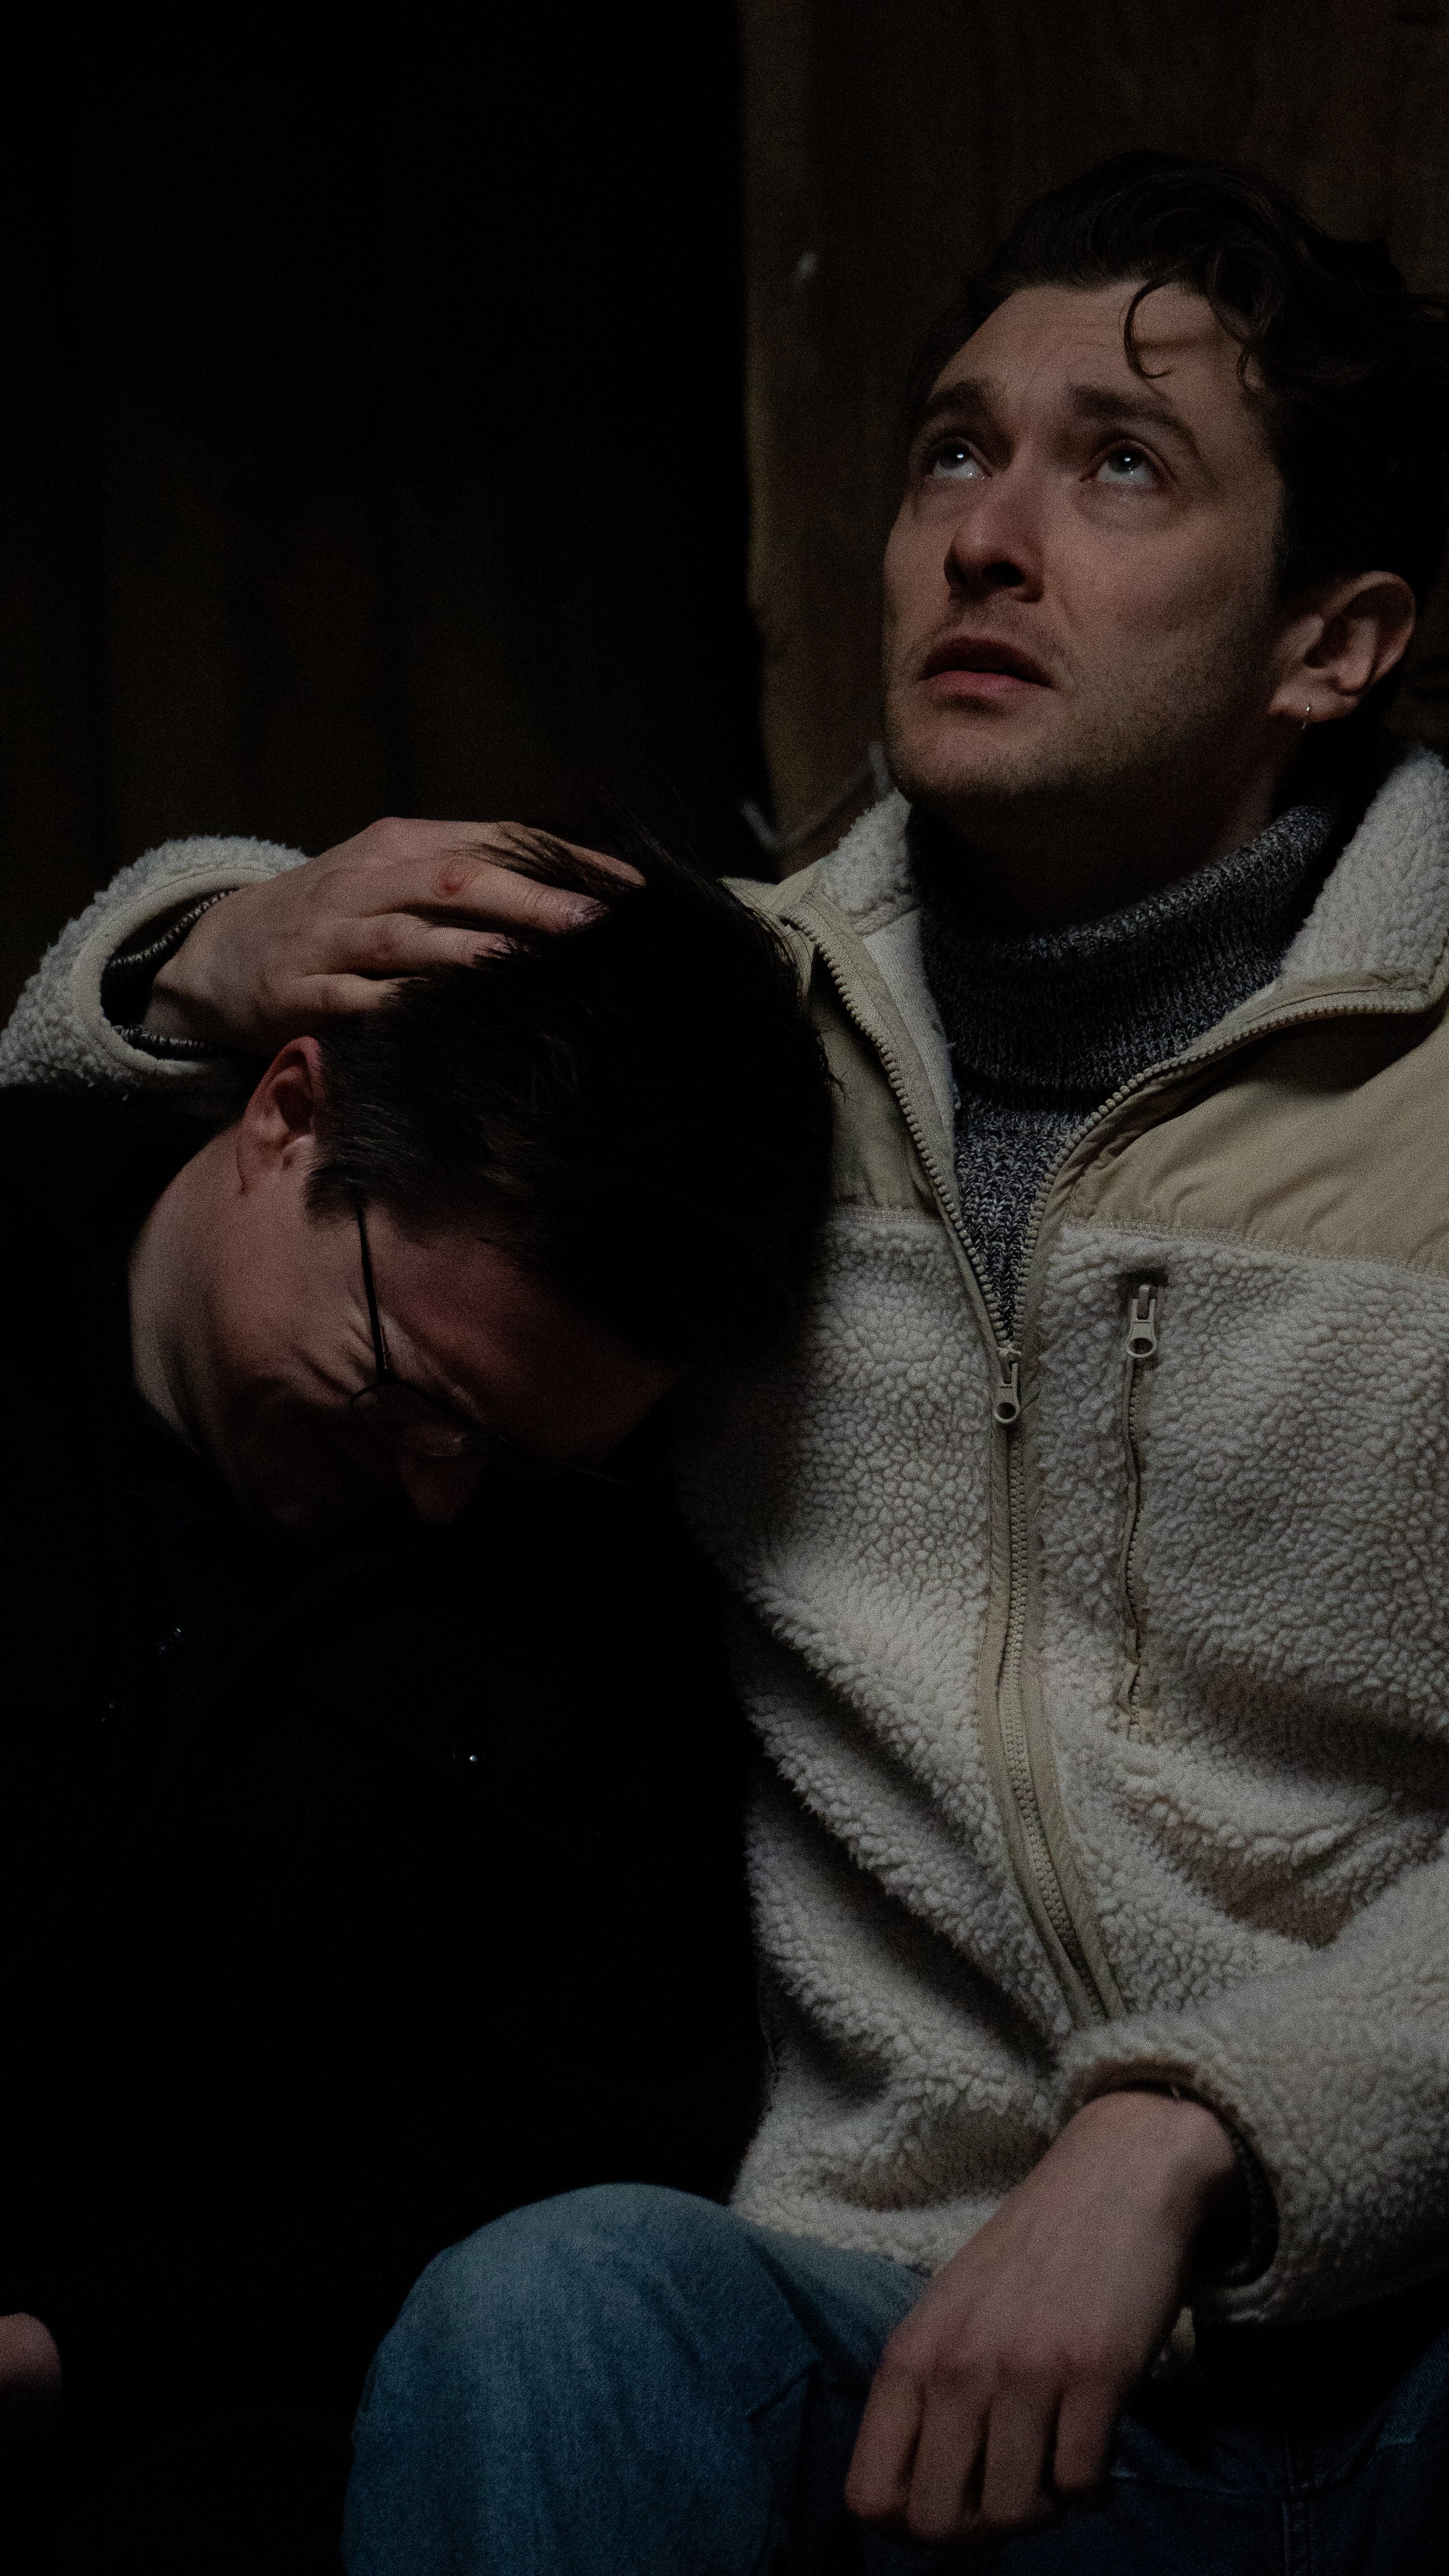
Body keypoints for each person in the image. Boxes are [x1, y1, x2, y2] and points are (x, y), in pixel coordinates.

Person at [8, 148, 1449, 2571]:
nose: (987, 533)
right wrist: (195, 942)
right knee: (545, 2314)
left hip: (1392, 2296)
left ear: (1335, 640)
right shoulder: (728, 1047)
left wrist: (1202, 2123)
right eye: (950, 451)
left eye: (1119, 463)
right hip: (866, 2308)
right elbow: (215, 1145)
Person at [0, 837, 831, 2571]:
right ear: (285, 1114)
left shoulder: (591, 1616)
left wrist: (78, 2354)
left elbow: (555, 2164)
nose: (443, 1487)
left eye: (521, 1454)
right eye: (408, 1391)